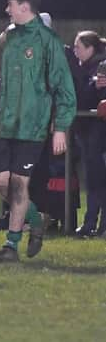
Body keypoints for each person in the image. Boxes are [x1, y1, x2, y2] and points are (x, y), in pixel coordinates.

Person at [0, 0, 76, 263]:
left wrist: (60, 126)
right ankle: (35, 218)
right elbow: (8, 83)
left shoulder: (47, 40)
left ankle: (10, 245)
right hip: (8, 123)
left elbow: (64, 87)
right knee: (0, 182)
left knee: (18, 185)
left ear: (24, 6)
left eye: (10, 4)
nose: (7, 10)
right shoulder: (11, 37)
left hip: (33, 125)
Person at [71, 31, 106, 237]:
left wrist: (94, 85)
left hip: (97, 133)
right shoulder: (84, 68)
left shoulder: (98, 68)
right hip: (88, 131)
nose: (76, 51)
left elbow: (86, 97)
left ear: (91, 48)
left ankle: (96, 224)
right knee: (94, 180)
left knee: (98, 180)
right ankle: (91, 222)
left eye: (79, 47)